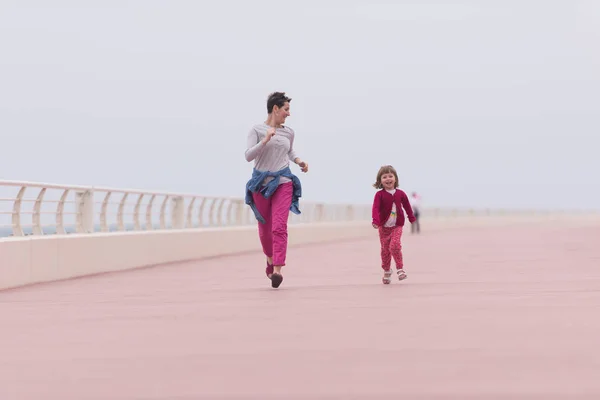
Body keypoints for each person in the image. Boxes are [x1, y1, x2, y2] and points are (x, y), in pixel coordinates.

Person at [244, 92, 309, 289]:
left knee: (279, 227)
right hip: (261, 185)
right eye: (286, 109)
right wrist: (264, 140)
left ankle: (278, 270)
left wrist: (298, 161)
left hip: (283, 181)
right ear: (275, 109)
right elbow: (248, 156)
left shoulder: (288, 132)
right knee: (265, 231)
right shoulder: (257, 130)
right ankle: (270, 261)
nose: (288, 114)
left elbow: (289, 151)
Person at [371, 165, 416, 284]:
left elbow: (407, 206)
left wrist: (411, 217)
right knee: (385, 250)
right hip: (383, 227)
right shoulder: (379, 195)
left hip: (397, 225)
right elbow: (375, 208)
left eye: (390, 176)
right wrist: (375, 221)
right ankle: (386, 270)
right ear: (380, 180)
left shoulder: (400, 193)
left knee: (395, 246)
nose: (388, 179)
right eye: (384, 177)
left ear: (395, 179)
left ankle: (400, 269)